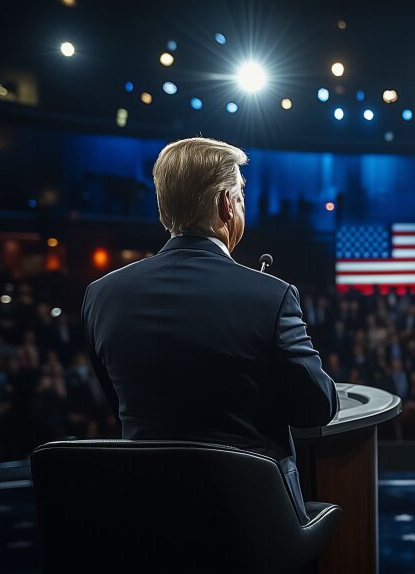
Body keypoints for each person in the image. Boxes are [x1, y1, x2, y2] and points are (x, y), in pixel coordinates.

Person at [82, 137, 338, 523]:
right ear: (225, 204)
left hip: (146, 520)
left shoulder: (100, 296)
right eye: (240, 195)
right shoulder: (271, 296)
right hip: (252, 524)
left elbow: (118, 400)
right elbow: (317, 408)